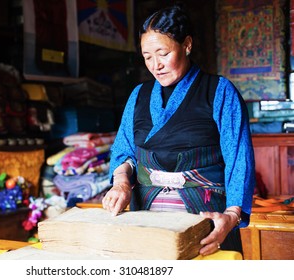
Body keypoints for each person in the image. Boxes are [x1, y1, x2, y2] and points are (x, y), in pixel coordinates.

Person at [102, 3, 255, 257]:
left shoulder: (219, 91)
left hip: (205, 220)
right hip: (146, 220)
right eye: (147, 56)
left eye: (163, 53)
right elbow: (124, 150)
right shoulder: (139, 95)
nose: (155, 65)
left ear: (187, 45)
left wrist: (231, 216)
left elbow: (239, 160)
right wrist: (120, 184)